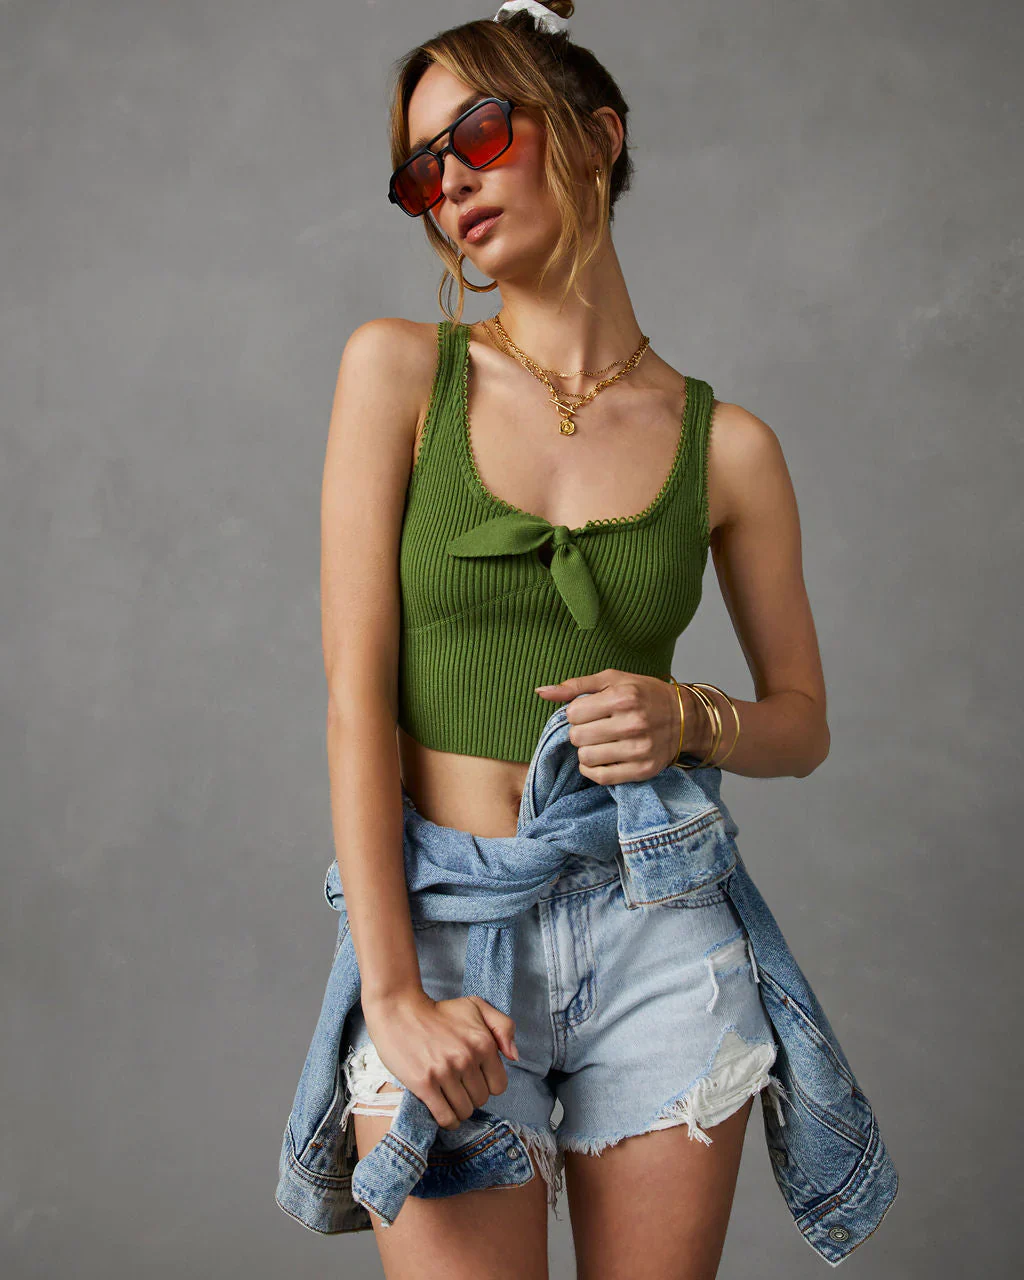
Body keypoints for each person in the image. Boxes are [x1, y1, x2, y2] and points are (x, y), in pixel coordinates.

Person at [320, 3, 830, 1275]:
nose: (449, 183)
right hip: (445, 921)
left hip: (660, 923)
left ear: (597, 135)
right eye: (421, 170)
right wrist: (392, 990)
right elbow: (353, 698)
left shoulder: (730, 447)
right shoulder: (399, 373)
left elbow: (801, 724)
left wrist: (691, 715)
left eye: (480, 134)